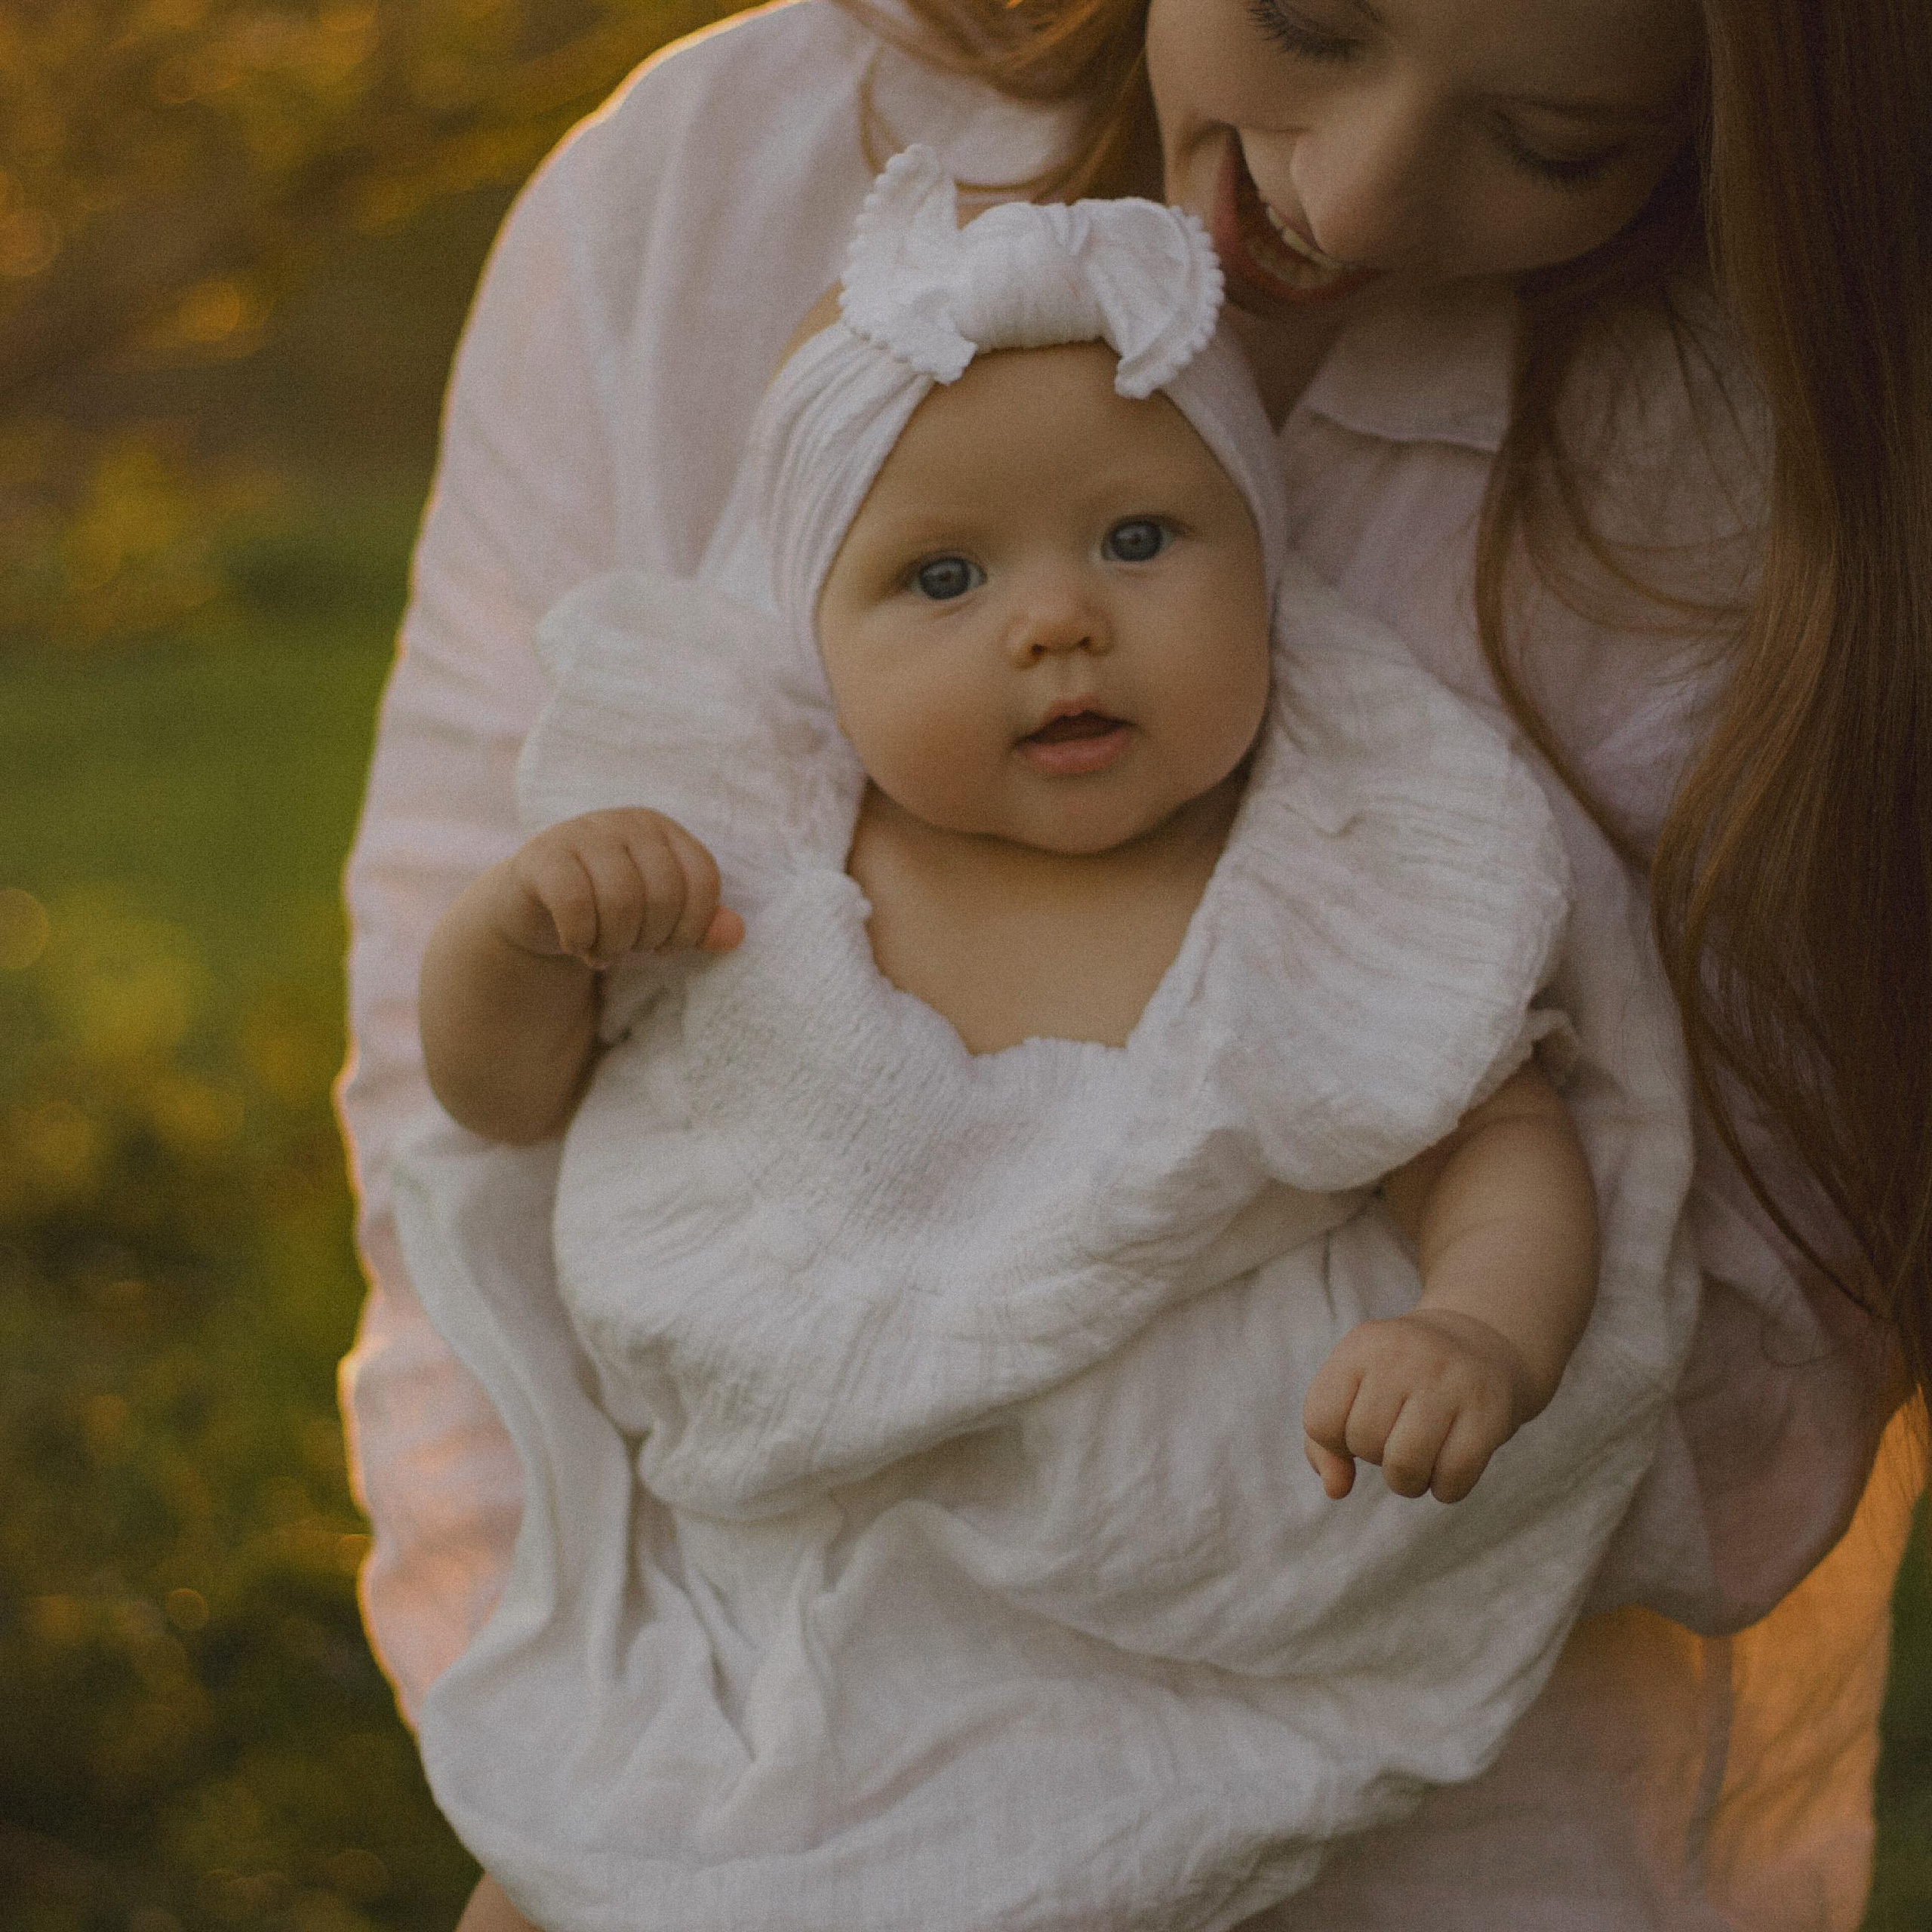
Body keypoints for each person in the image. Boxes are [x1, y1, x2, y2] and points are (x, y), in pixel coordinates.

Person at [334, 2, 1931, 1927]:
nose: (1343, 193)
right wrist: (535, 930)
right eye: (1307, 21)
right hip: (727, 1700)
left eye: (1555, 143)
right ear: (804, 631)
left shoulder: (1330, 876)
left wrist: (1469, 1336)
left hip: (1394, 1770)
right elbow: (480, 1114)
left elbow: (1593, 1207)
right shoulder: (744, 856)